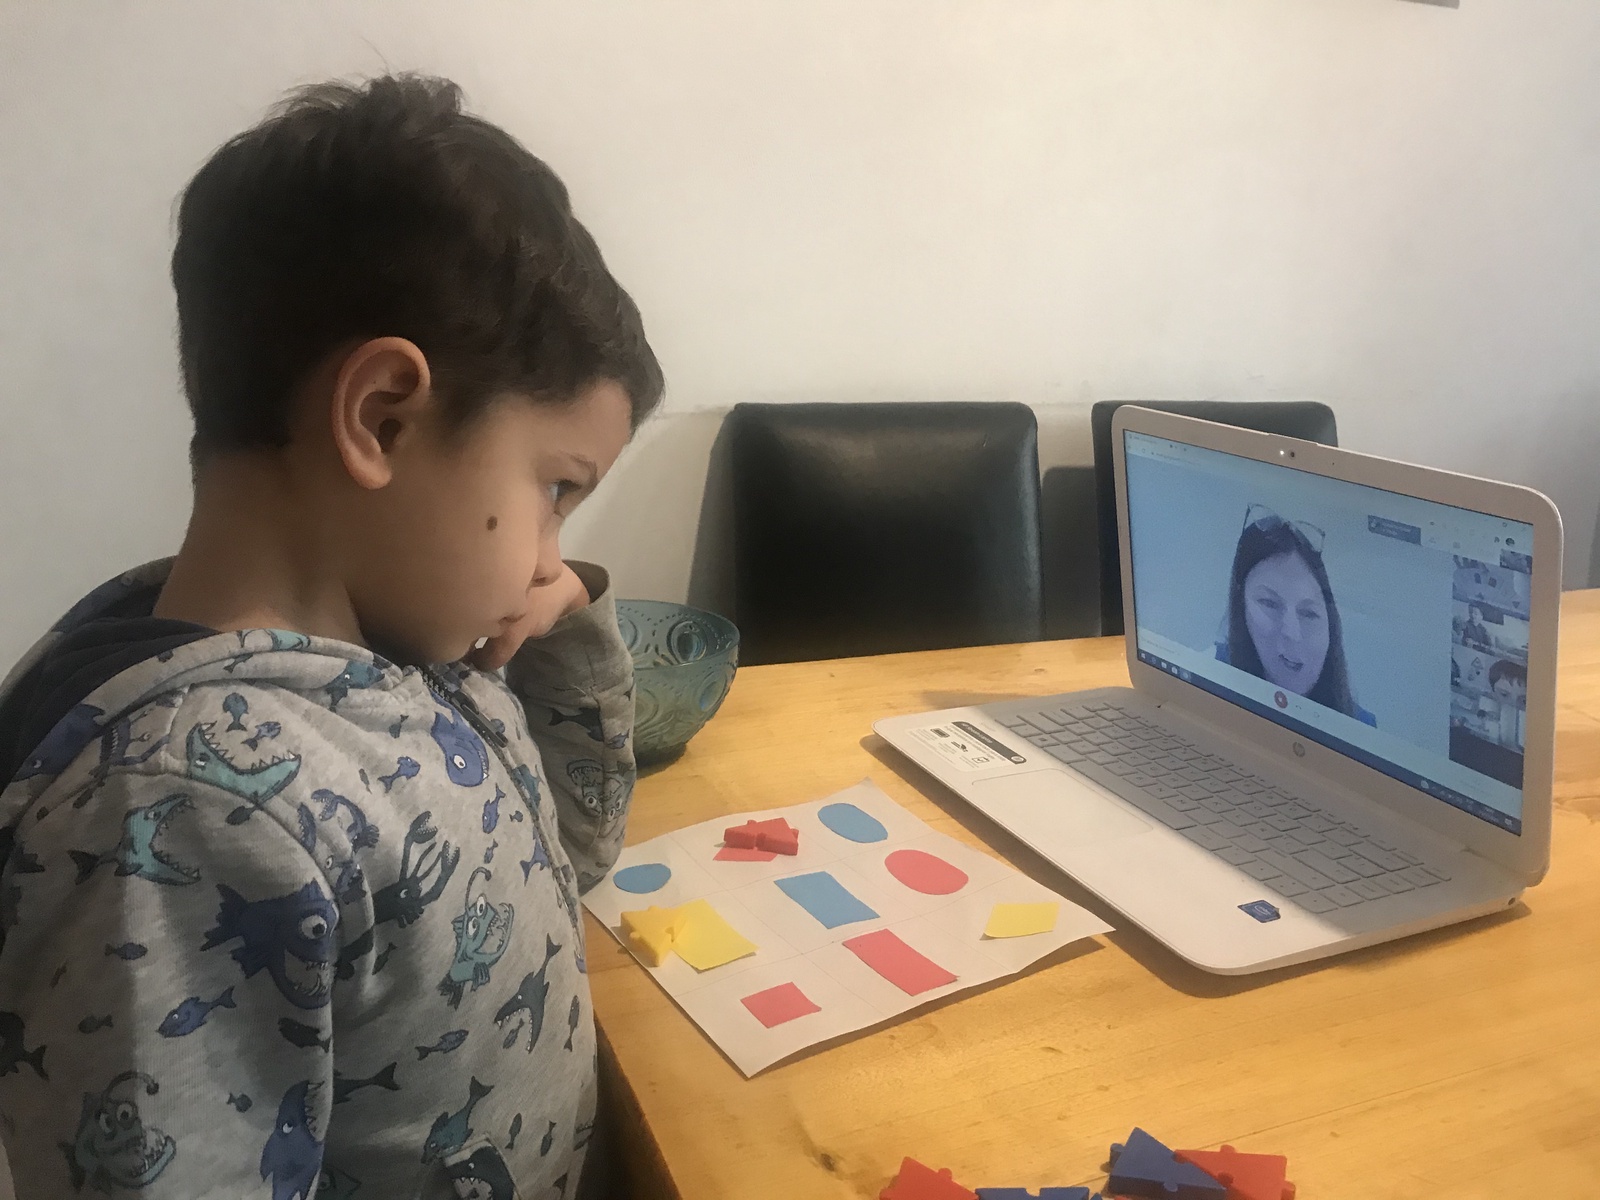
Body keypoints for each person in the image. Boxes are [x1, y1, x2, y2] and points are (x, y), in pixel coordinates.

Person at [0, 75, 661, 1199]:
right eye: (556, 489)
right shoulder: (180, 819)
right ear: (381, 417)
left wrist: (562, 629)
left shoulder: (421, 663)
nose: (550, 556)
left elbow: (568, 861)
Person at [1217, 508, 1376, 726]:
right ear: (1241, 606)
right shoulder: (1211, 675)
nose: (1291, 632)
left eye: (1309, 613)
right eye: (1269, 604)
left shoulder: (1360, 729)